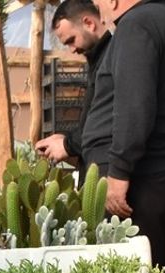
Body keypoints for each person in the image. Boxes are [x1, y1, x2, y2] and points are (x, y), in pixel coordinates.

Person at [93, 0, 165, 272]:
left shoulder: (136, 25)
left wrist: (119, 172)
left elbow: (135, 103)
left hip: (147, 181)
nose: (98, 6)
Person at [33, 0, 111, 184]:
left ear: (89, 23)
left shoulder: (112, 59)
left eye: (71, 40)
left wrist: (68, 145)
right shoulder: (98, 60)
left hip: (108, 176)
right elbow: (95, 120)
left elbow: (108, 124)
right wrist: (66, 140)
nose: (72, 49)